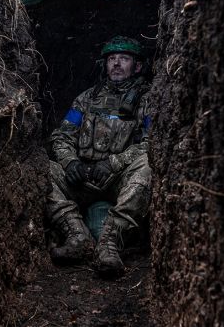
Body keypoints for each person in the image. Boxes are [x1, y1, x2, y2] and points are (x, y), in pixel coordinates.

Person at [46, 35, 152, 276]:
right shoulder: (86, 98)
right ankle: (77, 237)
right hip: (83, 177)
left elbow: (151, 142)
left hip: (117, 179)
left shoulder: (147, 100)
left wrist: (114, 163)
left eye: (124, 59)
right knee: (43, 170)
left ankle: (109, 246)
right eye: (112, 59)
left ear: (136, 66)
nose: (116, 64)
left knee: (147, 167)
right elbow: (62, 136)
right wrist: (70, 162)